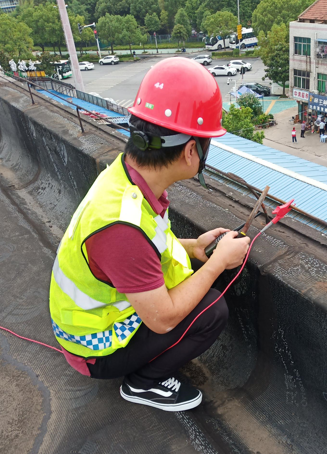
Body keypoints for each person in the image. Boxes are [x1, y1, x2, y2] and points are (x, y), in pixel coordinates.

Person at [49, 58, 251, 412]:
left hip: (95, 320)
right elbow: (162, 318)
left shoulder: (127, 178)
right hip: (94, 349)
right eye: (206, 144)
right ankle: (144, 383)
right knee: (212, 311)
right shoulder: (121, 227)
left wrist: (196, 247)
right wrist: (217, 263)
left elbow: (145, 250)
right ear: (191, 150)